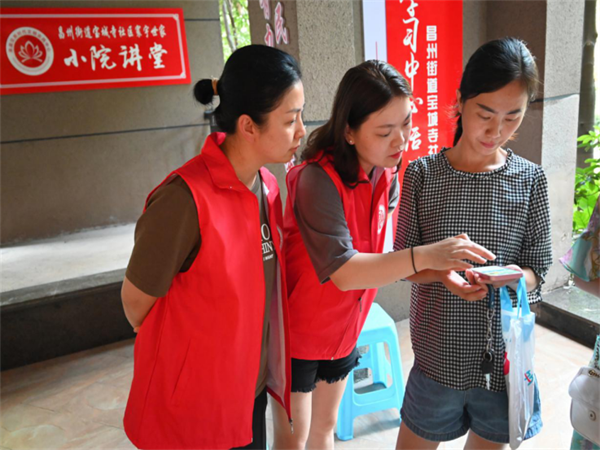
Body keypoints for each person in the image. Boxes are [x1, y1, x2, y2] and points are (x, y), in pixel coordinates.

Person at [271, 60, 495, 450]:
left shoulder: (385, 174)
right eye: (384, 131)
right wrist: (428, 255)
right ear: (349, 131)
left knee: (324, 428)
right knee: (293, 438)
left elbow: (381, 260)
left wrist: (442, 272)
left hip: (344, 326)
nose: (400, 140)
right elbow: (344, 271)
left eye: (406, 124)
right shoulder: (315, 180)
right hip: (298, 331)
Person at [121, 45, 305, 450]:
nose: (302, 131)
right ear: (248, 126)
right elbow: (135, 303)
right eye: (291, 119)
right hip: (194, 405)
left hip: (248, 390)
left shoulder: (267, 186)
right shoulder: (184, 199)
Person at [394, 37, 553, 450]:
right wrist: (443, 274)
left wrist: (514, 278)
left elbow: (538, 268)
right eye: (485, 114)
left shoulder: (531, 180)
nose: (496, 131)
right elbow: (403, 263)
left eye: (512, 117)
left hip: (503, 364)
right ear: (460, 102)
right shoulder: (423, 175)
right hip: (436, 359)